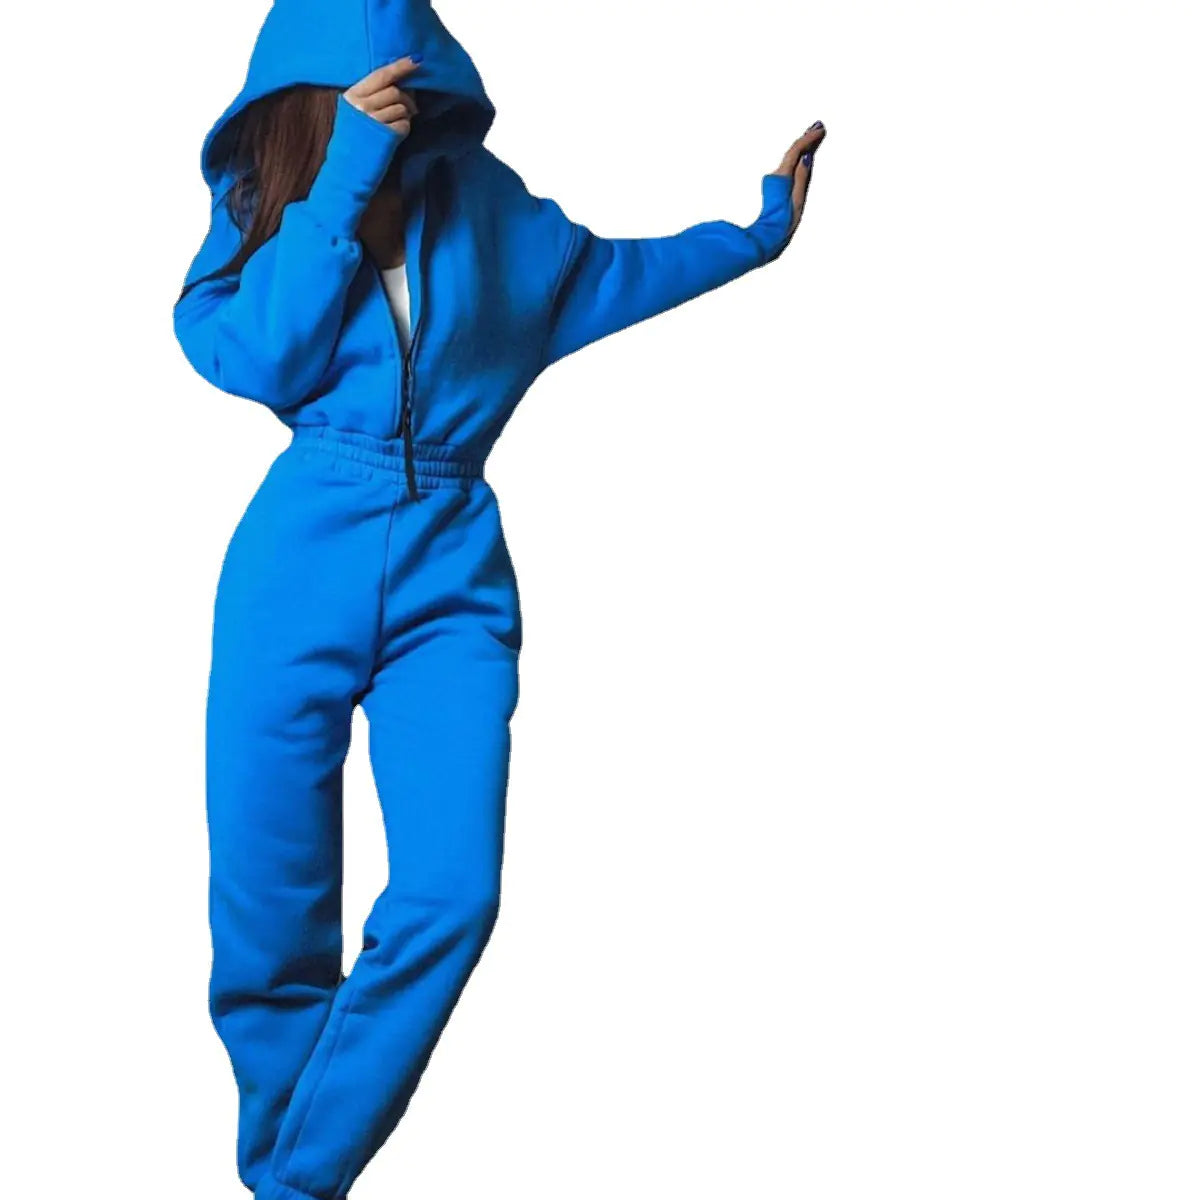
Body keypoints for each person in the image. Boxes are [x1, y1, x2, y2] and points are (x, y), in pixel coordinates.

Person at [174, 1, 826, 1197]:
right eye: (356, 94)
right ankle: (289, 1166)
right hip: (295, 562)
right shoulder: (268, 209)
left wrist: (757, 234)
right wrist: (340, 185)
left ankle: (291, 1181)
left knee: (453, 893)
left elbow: (618, 271)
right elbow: (257, 359)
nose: (390, 103)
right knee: (268, 910)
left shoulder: (489, 209)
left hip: (453, 571)